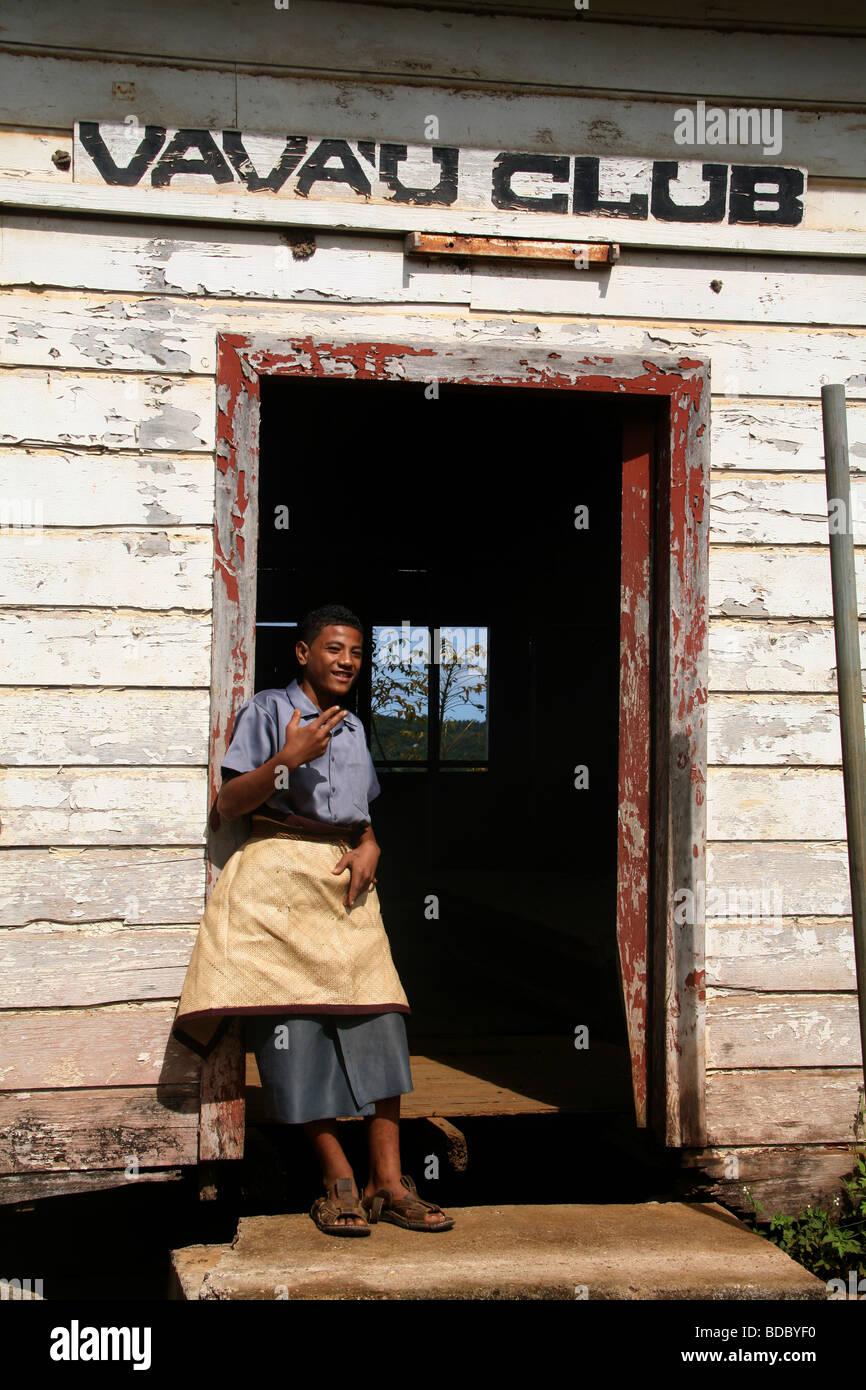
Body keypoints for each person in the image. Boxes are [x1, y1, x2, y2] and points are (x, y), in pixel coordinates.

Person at [172, 603, 454, 1236]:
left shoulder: (354, 727)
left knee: (381, 1013)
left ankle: (389, 1180)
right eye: (333, 648)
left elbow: (360, 814)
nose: (347, 661)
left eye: (355, 651)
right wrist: (288, 758)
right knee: (294, 1027)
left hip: (343, 879)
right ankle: (337, 1178)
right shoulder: (269, 711)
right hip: (278, 879)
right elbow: (228, 803)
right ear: (303, 653)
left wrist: (373, 844)